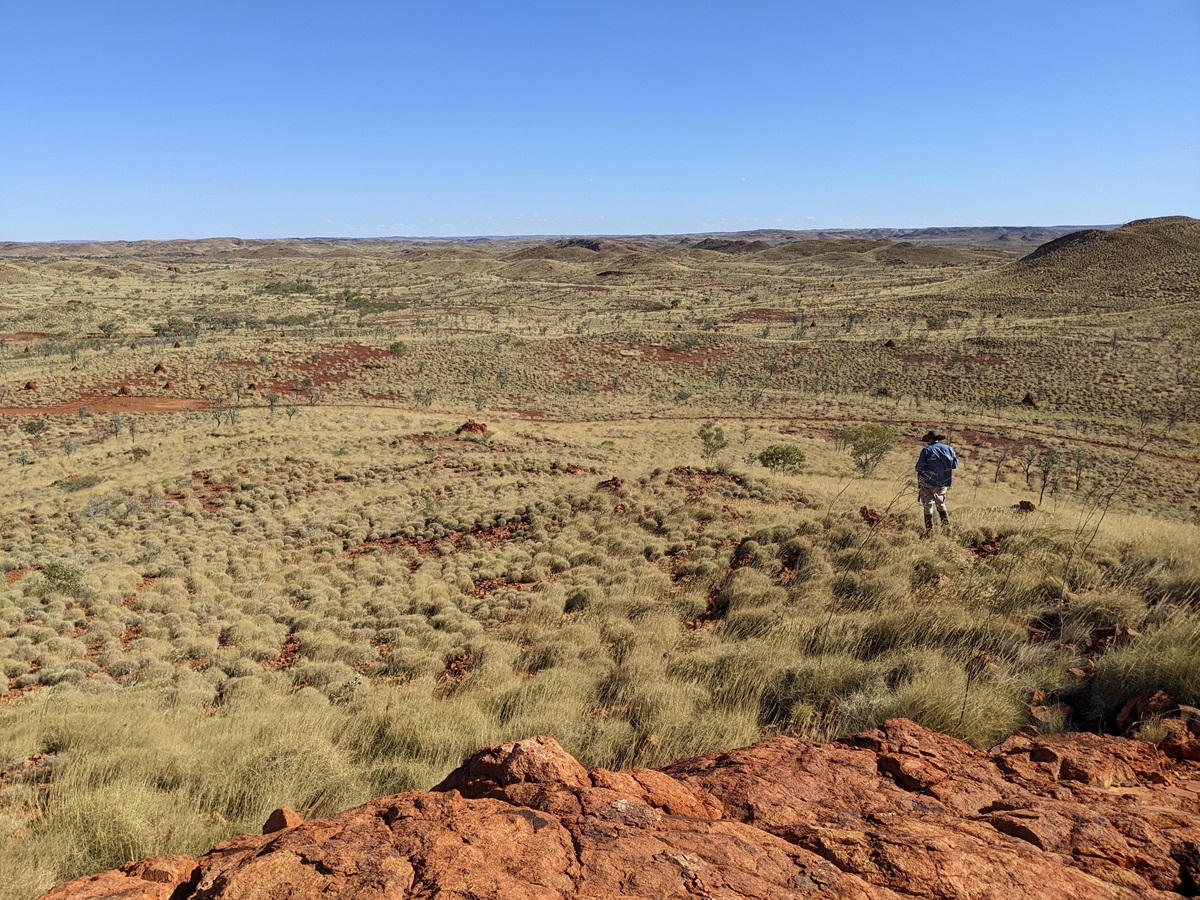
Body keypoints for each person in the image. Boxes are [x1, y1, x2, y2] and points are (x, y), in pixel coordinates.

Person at [916, 430, 957, 536]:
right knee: (941, 504)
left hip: (928, 482)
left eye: (927, 441)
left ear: (930, 440)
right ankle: (947, 529)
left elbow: (919, 467)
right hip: (943, 482)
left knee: (928, 506)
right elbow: (954, 465)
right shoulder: (949, 449)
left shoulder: (926, 450)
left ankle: (930, 531)